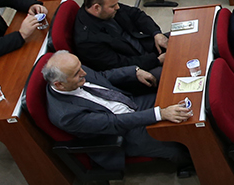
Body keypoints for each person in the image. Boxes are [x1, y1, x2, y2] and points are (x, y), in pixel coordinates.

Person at [43, 51, 192, 169]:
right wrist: (161, 114)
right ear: (59, 85)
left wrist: (134, 71)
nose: (84, 73)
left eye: (80, 67)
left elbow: (102, 77)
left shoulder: (73, 71)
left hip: (131, 104)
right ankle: (195, 165)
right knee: (177, 148)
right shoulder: (66, 115)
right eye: (77, 74)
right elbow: (114, 123)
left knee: (175, 96)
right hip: (123, 134)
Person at [72, 0, 167, 94]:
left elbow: (136, 15)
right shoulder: (87, 41)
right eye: (113, 6)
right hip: (137, 71)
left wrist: (156, 33)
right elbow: (120, 63)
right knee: (172, 71)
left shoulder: (107, 8)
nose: (118, 7)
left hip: (144, 47)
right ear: (96, 7)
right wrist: (156, 60)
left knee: (181, 37)